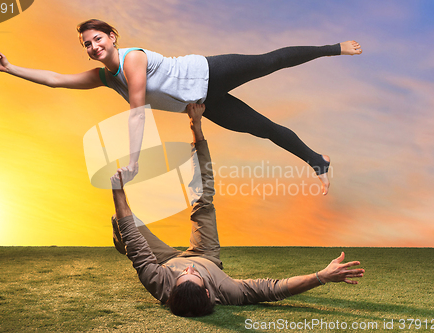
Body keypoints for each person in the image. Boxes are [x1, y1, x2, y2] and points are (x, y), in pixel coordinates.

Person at [0, 18, 363, 195]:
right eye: (87, 44)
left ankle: (335, 47)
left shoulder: (131, 62)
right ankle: (319, 162)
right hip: (202, 101)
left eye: (98, 39)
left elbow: (136, 110)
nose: (93, 47)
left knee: (268, 61)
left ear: (113, 38)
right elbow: (55, 79)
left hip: (209, 70)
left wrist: (132, 162)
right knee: (261, 127)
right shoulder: (103, 77)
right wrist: (9, 67)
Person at [111, 103, 364, 317]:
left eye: (182, 276)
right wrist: (322, 276)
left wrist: (118, 188)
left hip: (165, 261)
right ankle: (197, 129)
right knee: (203, 200)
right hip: (206, 255)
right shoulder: (227, 291)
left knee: (123, 223)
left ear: (171, 290)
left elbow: (135, 241)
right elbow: (274, 289)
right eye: (193, 275)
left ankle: (195, 129)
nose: (188, 270)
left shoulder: (158, 283)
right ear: (209, 292)